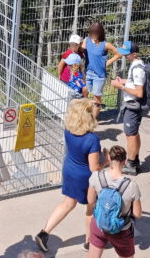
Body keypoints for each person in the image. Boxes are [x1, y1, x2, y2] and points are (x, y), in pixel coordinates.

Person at [35, 99, 101, 253]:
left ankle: (44, 233)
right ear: (87, 116)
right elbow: (94, 167)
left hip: (69, 169)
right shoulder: (92, 139)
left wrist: (91, 105)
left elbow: (88, 118)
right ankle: (89, 242)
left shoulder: (68, 129)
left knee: (68, 203)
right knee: (91, 208)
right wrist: (106, 162)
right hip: (85, 176)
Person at [87, 146, 143, 258]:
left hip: (99, 224)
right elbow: (137, 214)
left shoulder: (96, 176)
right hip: (121, 230)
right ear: (125, 161)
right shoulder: (131, 186)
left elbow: (90, 200)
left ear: (108, 157)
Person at [111, 41, 147, 175]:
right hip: (132, 104)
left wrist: (121, 87)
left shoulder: (138, 68)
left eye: (127, 54)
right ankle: (135, 160)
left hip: (133, 105)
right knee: (134, 133)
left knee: (130, 135)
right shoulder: (136, 64)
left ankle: (130, 164)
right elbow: (134, 82)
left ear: (134, 54)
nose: (125, 56)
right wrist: (123, 81)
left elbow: (139, 92)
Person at [84, 22, 122, 117]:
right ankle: (86, 115)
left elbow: (118, 54)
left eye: (95, 33)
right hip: (87, 73)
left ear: (100, 33)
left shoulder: (105, 44)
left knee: (96, 97)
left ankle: (93, 119)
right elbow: (80, 50)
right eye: (91, 33)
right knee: (84, 92)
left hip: (99, 75)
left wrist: (108, 62)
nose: (93, 35)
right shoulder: (86, 40)